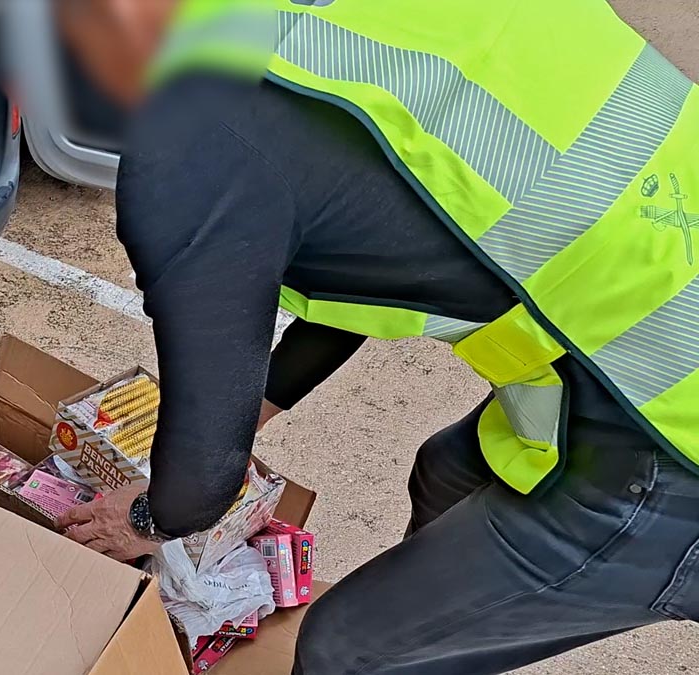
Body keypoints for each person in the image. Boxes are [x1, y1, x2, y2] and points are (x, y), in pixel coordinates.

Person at [54, 1, 699, 673]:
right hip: (652, 310)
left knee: (346, 652)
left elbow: (199, 487)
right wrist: (260, 405)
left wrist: (143, 520)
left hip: (671, 432)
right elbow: (367, 235)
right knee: (447, 473)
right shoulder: (314, 33)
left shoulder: (190, 148)